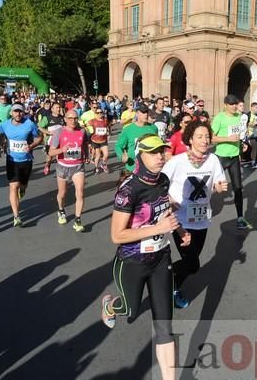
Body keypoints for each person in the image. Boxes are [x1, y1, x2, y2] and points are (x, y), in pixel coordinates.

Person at [101, 134, 188, 380]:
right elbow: (117, 235)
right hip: (132, 261)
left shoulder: (163, 180)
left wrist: (179, 230)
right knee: (131, 310)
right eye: (153, 152)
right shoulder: (128, 190)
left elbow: (164, 208)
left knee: (164, 326)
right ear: (140, 156)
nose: (160, 156)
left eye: (162, 151)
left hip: (161, 259)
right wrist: (156, 229)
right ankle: (110, 304)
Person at [162, 120, 228, 308]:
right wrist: (170, 200)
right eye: (199, 136)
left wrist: (219, 186)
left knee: (190, 262)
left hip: (201, 219)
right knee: (193, 264)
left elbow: (218, 182)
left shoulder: (213, 160)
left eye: (207, 136)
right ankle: (163, 278)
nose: (204, 140)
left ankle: (173, 284)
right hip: (180, 219)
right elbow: (160, 185)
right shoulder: (177, 162)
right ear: (190, 139)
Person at [0, 103, 44, 227]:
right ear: (11, 113)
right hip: (11, 160)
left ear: (23, 112)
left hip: (26, 160)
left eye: (20, 111)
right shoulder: (5, 125)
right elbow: (0, 136)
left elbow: (40, 137)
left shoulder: (29, 124)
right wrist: (0, 146)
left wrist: (31, 146)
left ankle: (23, 188)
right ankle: (16, 216)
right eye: (15, 111)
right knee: (13, 186)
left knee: (22, 184)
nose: (18, 114)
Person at [211, 94, 252, 229]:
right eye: (232, 104)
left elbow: (238, 135)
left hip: (234, 157)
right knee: (210, 186)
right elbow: (211, 138)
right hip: (221, 157)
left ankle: (240, 217)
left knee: (238, 188)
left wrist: (241, 144)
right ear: (225, 105)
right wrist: (228, 139)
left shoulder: (238, 117)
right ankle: (204, 210)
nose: (235, 106)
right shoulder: (219, 118)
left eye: (236, 104)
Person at [49, 110, 87, 232]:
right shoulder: (59, 132)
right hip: (63, 166)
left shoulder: (82, 131)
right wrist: (62, 150)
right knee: (62, 193)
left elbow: (84, 145)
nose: (73, 121)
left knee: (80, 192)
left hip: (77, 166)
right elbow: (50, 152)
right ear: (65, 119)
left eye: (75, 118)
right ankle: (61, 210)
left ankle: (77, 220)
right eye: (70, 118)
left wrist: (85, 155)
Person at [115, 104, 158, 181]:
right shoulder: (128, 129)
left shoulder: (153, 128)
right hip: (133, 167)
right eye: (143, 112)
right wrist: (121, 156)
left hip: (149, 168)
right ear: (137, 113)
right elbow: (118, 146)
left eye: (147, 112)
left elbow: (156, 145)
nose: (146, 115)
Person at [38, 101, 64, 175]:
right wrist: (49, 132)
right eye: (56, 108)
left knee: (60, 156)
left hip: (60, 140)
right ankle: (47, 165)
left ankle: (61, 171)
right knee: (49, 157)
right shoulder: (47, 118)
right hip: (50, 141)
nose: (58, 109)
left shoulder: (62, 118)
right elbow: (39, 127)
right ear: (52, 109)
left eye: (59, 107)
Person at [86, 106, 110, 173]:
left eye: (100, 112)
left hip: (103, 140)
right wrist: (90, 131)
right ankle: (96, 167)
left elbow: (108, 127)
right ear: (95, 113)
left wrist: (108, 133)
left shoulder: (105, 120)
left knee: (106, 154)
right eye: (98, 112)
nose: (99, 114)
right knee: (98, 156)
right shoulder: (93, 120)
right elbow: (86, 125)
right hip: (95, 141)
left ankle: (103, 163)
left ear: (102, 113)